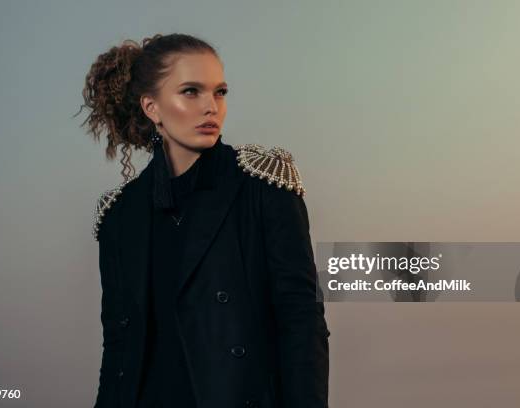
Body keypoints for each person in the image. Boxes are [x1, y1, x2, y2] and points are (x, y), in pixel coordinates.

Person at [76, 32, 330, 408]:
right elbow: (118, 346)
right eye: (191, 92)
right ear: (152, 107)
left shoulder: (265, 186)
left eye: (220, 92)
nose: (211, 107)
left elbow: (301, 321)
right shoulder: (118, 215)